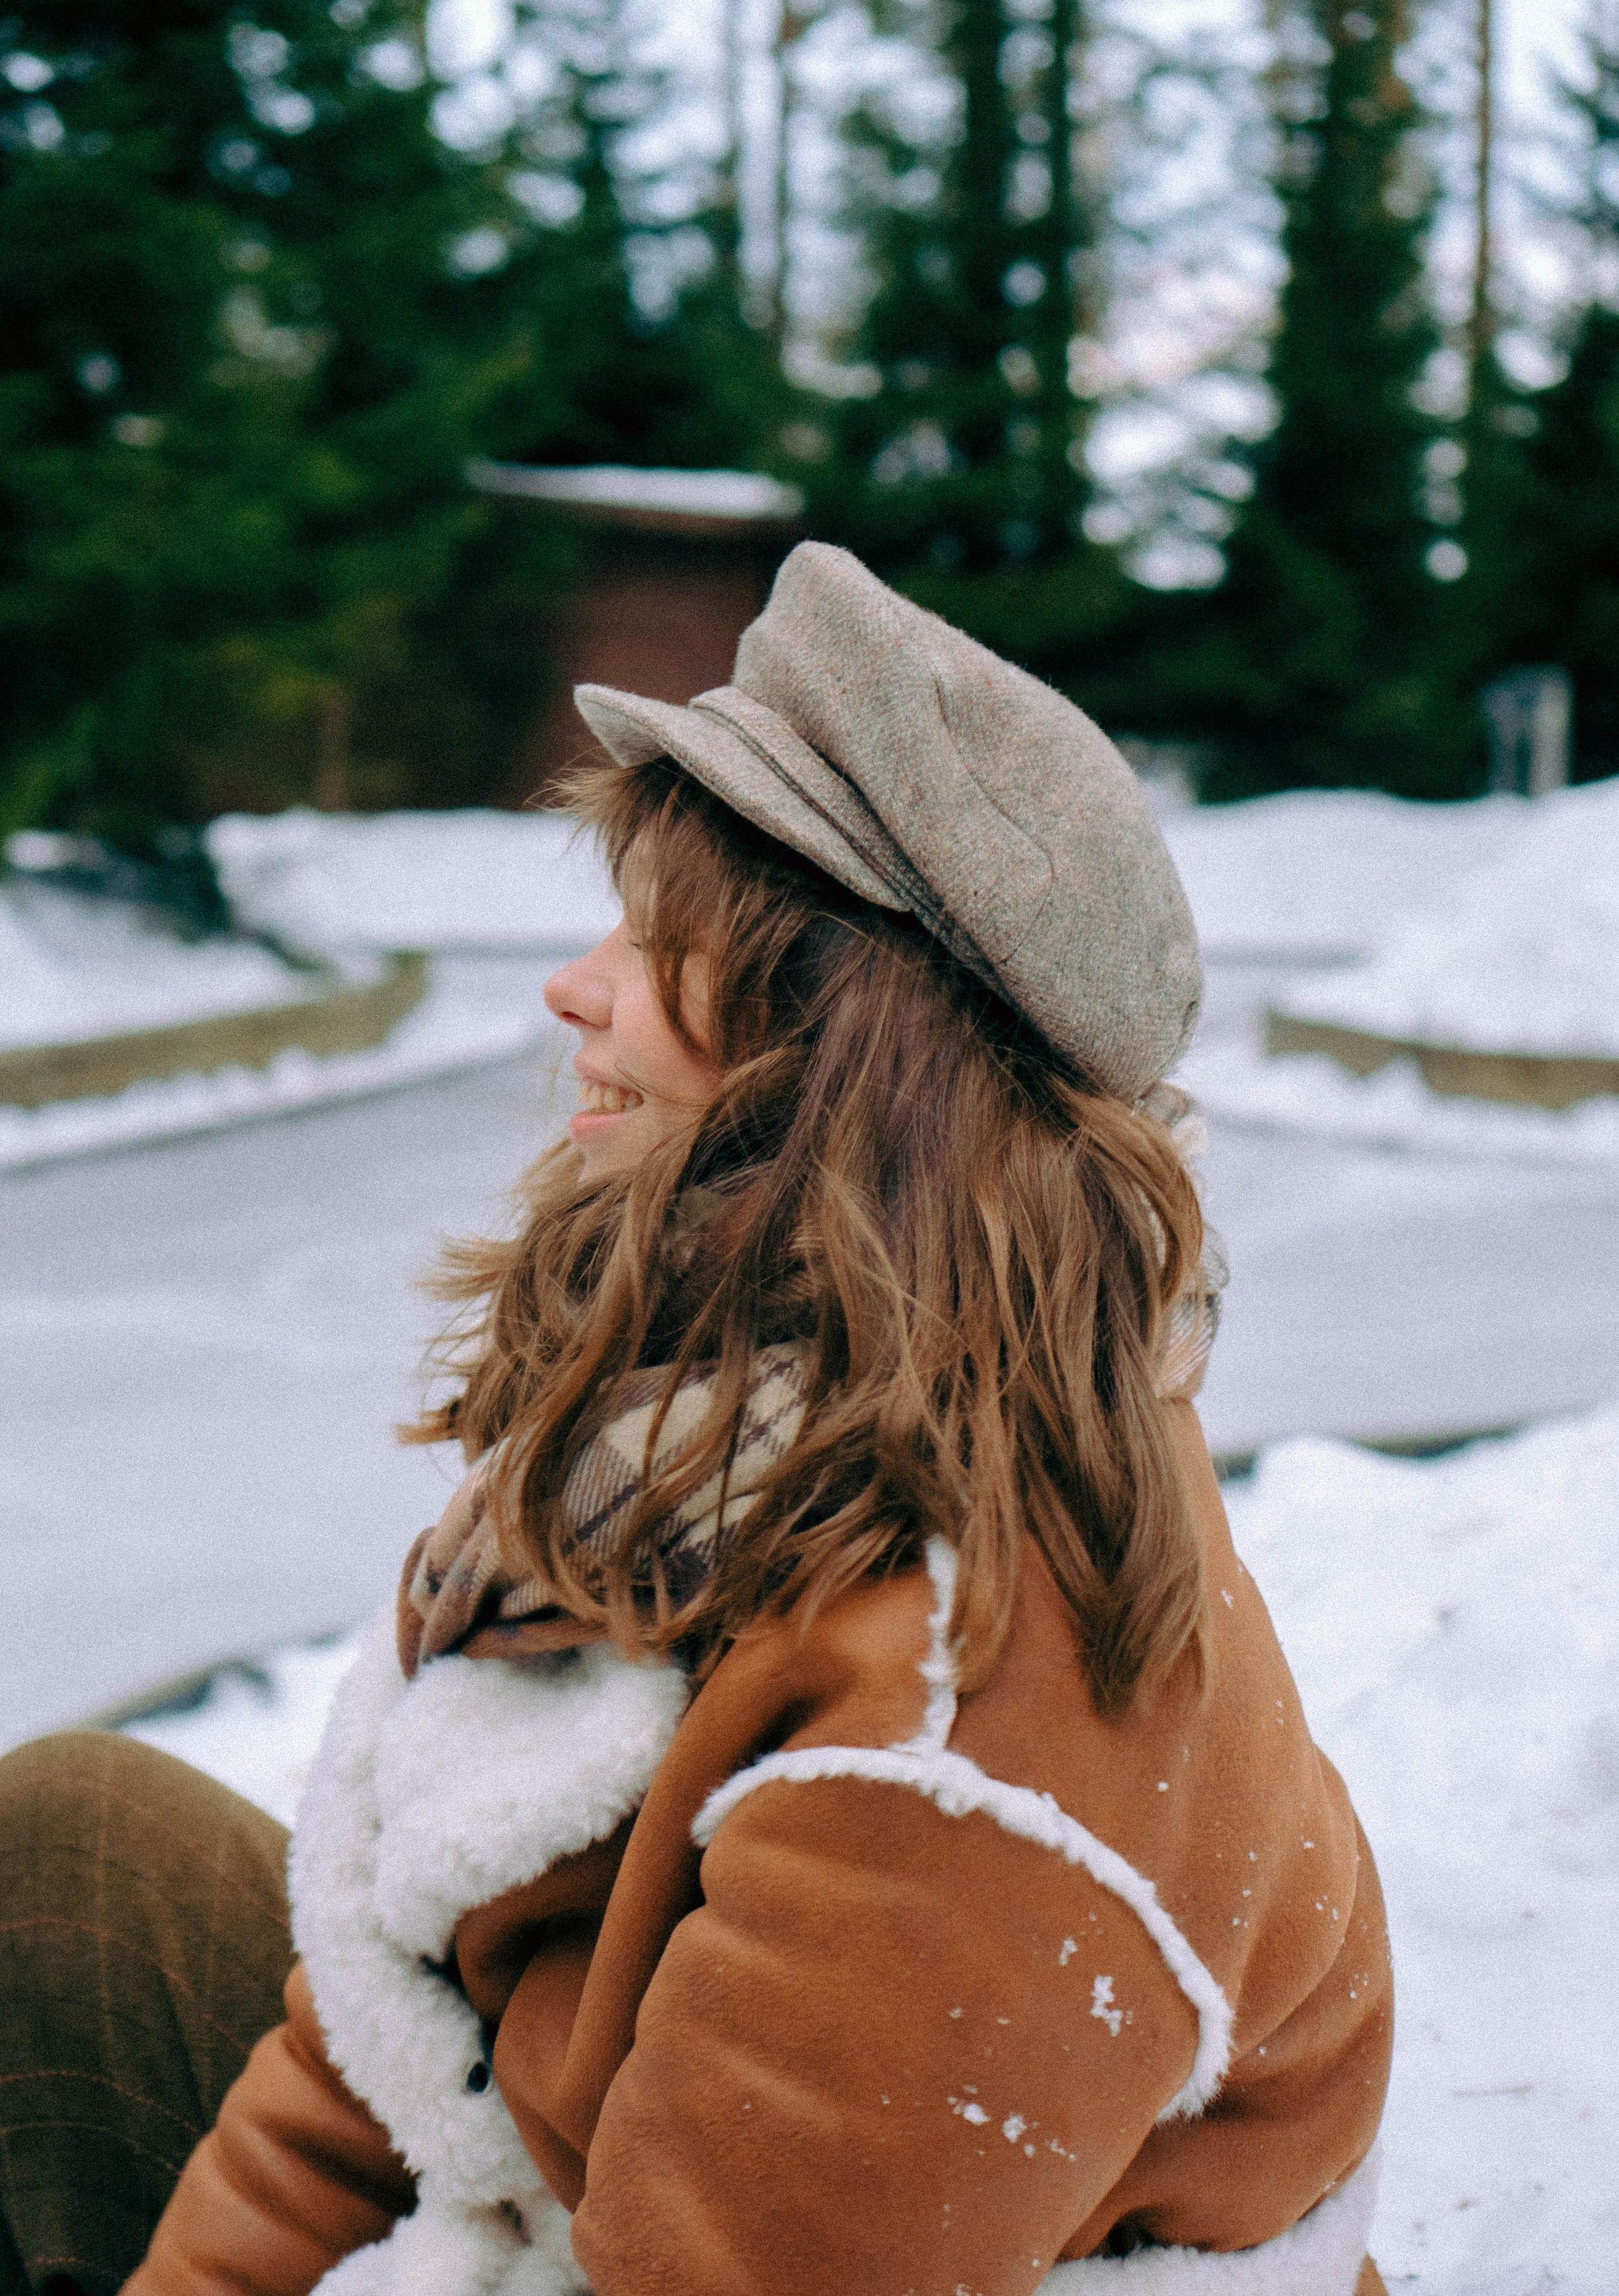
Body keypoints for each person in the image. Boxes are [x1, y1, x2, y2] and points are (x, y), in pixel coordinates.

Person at [0, 544, 1392, 2296]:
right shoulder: (718, 1413)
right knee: (76, 1847)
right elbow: (383, 2016)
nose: (570, 990)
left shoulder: (970, 1750)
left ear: (839, 1062)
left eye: (654, 944)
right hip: (581, 2149)